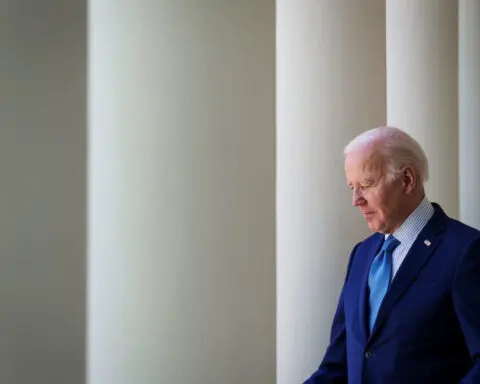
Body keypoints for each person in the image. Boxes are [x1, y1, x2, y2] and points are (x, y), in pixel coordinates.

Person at [304, 126, 480, 384]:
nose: (356, 200)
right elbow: (337, 366)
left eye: (365, 184)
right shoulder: (361, 255)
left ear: (407, 179)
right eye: (352, 187)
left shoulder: (467, 250)